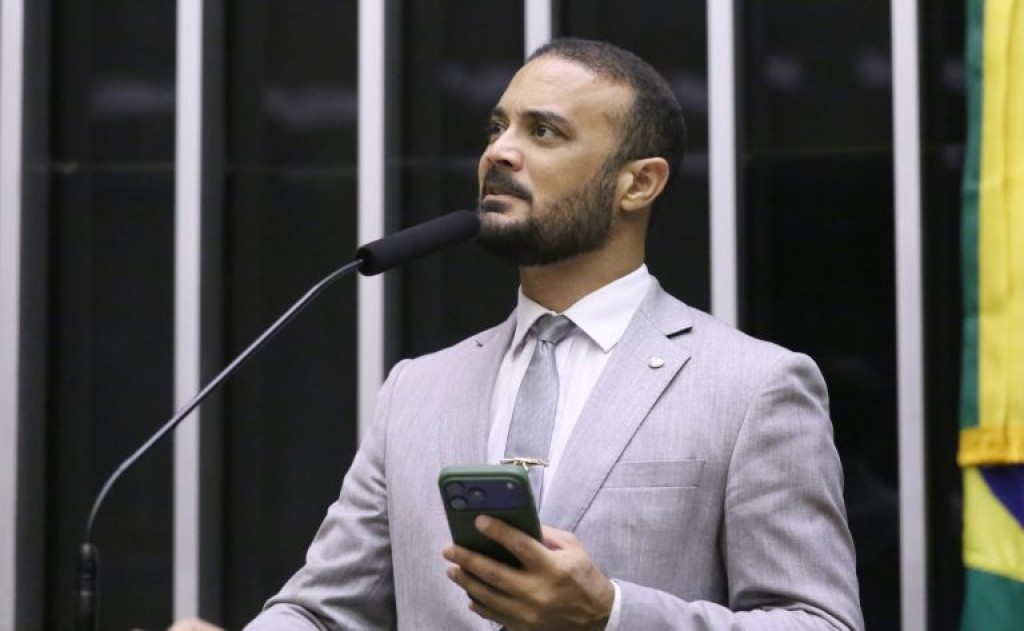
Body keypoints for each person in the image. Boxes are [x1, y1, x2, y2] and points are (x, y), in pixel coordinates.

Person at [196, 38, 863, 630]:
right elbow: (324, 610)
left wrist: (612, 615)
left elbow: (819, 621)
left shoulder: (752, 386)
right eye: (497, 127)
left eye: (543, 131)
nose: (498, 152)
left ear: (639, 183)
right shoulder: (416, 390)